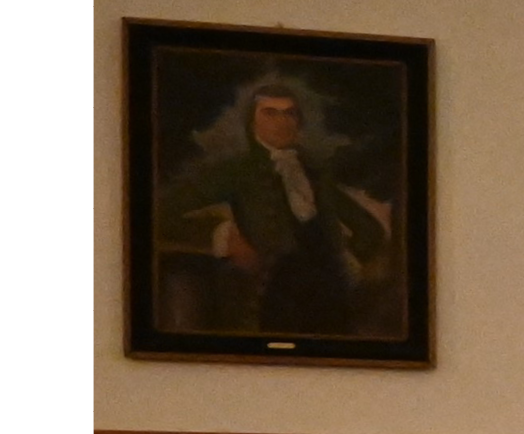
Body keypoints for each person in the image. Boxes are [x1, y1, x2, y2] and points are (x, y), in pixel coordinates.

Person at [155, 80, 391, 336]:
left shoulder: (314, 172)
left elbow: (369, 229)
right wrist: (223, 235)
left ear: (299, 122)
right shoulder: (236, 170)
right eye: (270, 113)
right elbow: (160, 213)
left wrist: (350, 260)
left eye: (290, 113)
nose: (282, 122)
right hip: (272, 293)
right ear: (252, 122)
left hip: (329, 292)